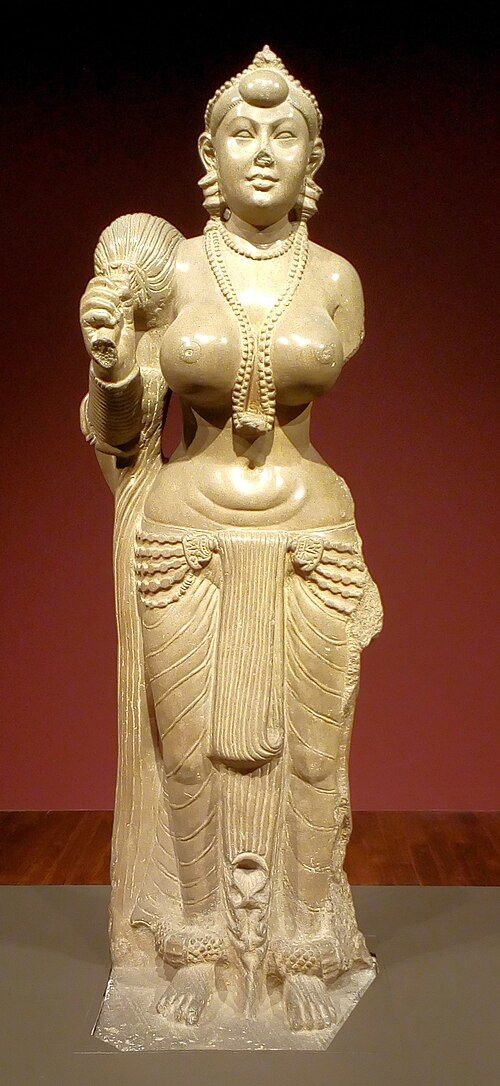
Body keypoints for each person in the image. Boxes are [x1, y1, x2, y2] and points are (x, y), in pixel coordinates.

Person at [80, 46, 383, 1035]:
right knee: (188, 755)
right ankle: (198, 942)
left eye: (283, 133)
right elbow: (126, 435)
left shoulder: (334, 280)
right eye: (241, 133)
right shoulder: (167, 271)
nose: (262, 150)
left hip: (311, 534)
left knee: (312, 756)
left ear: (312, 158)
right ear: (209, 156)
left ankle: (303, 946)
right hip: (185, 537)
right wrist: (112, 364)